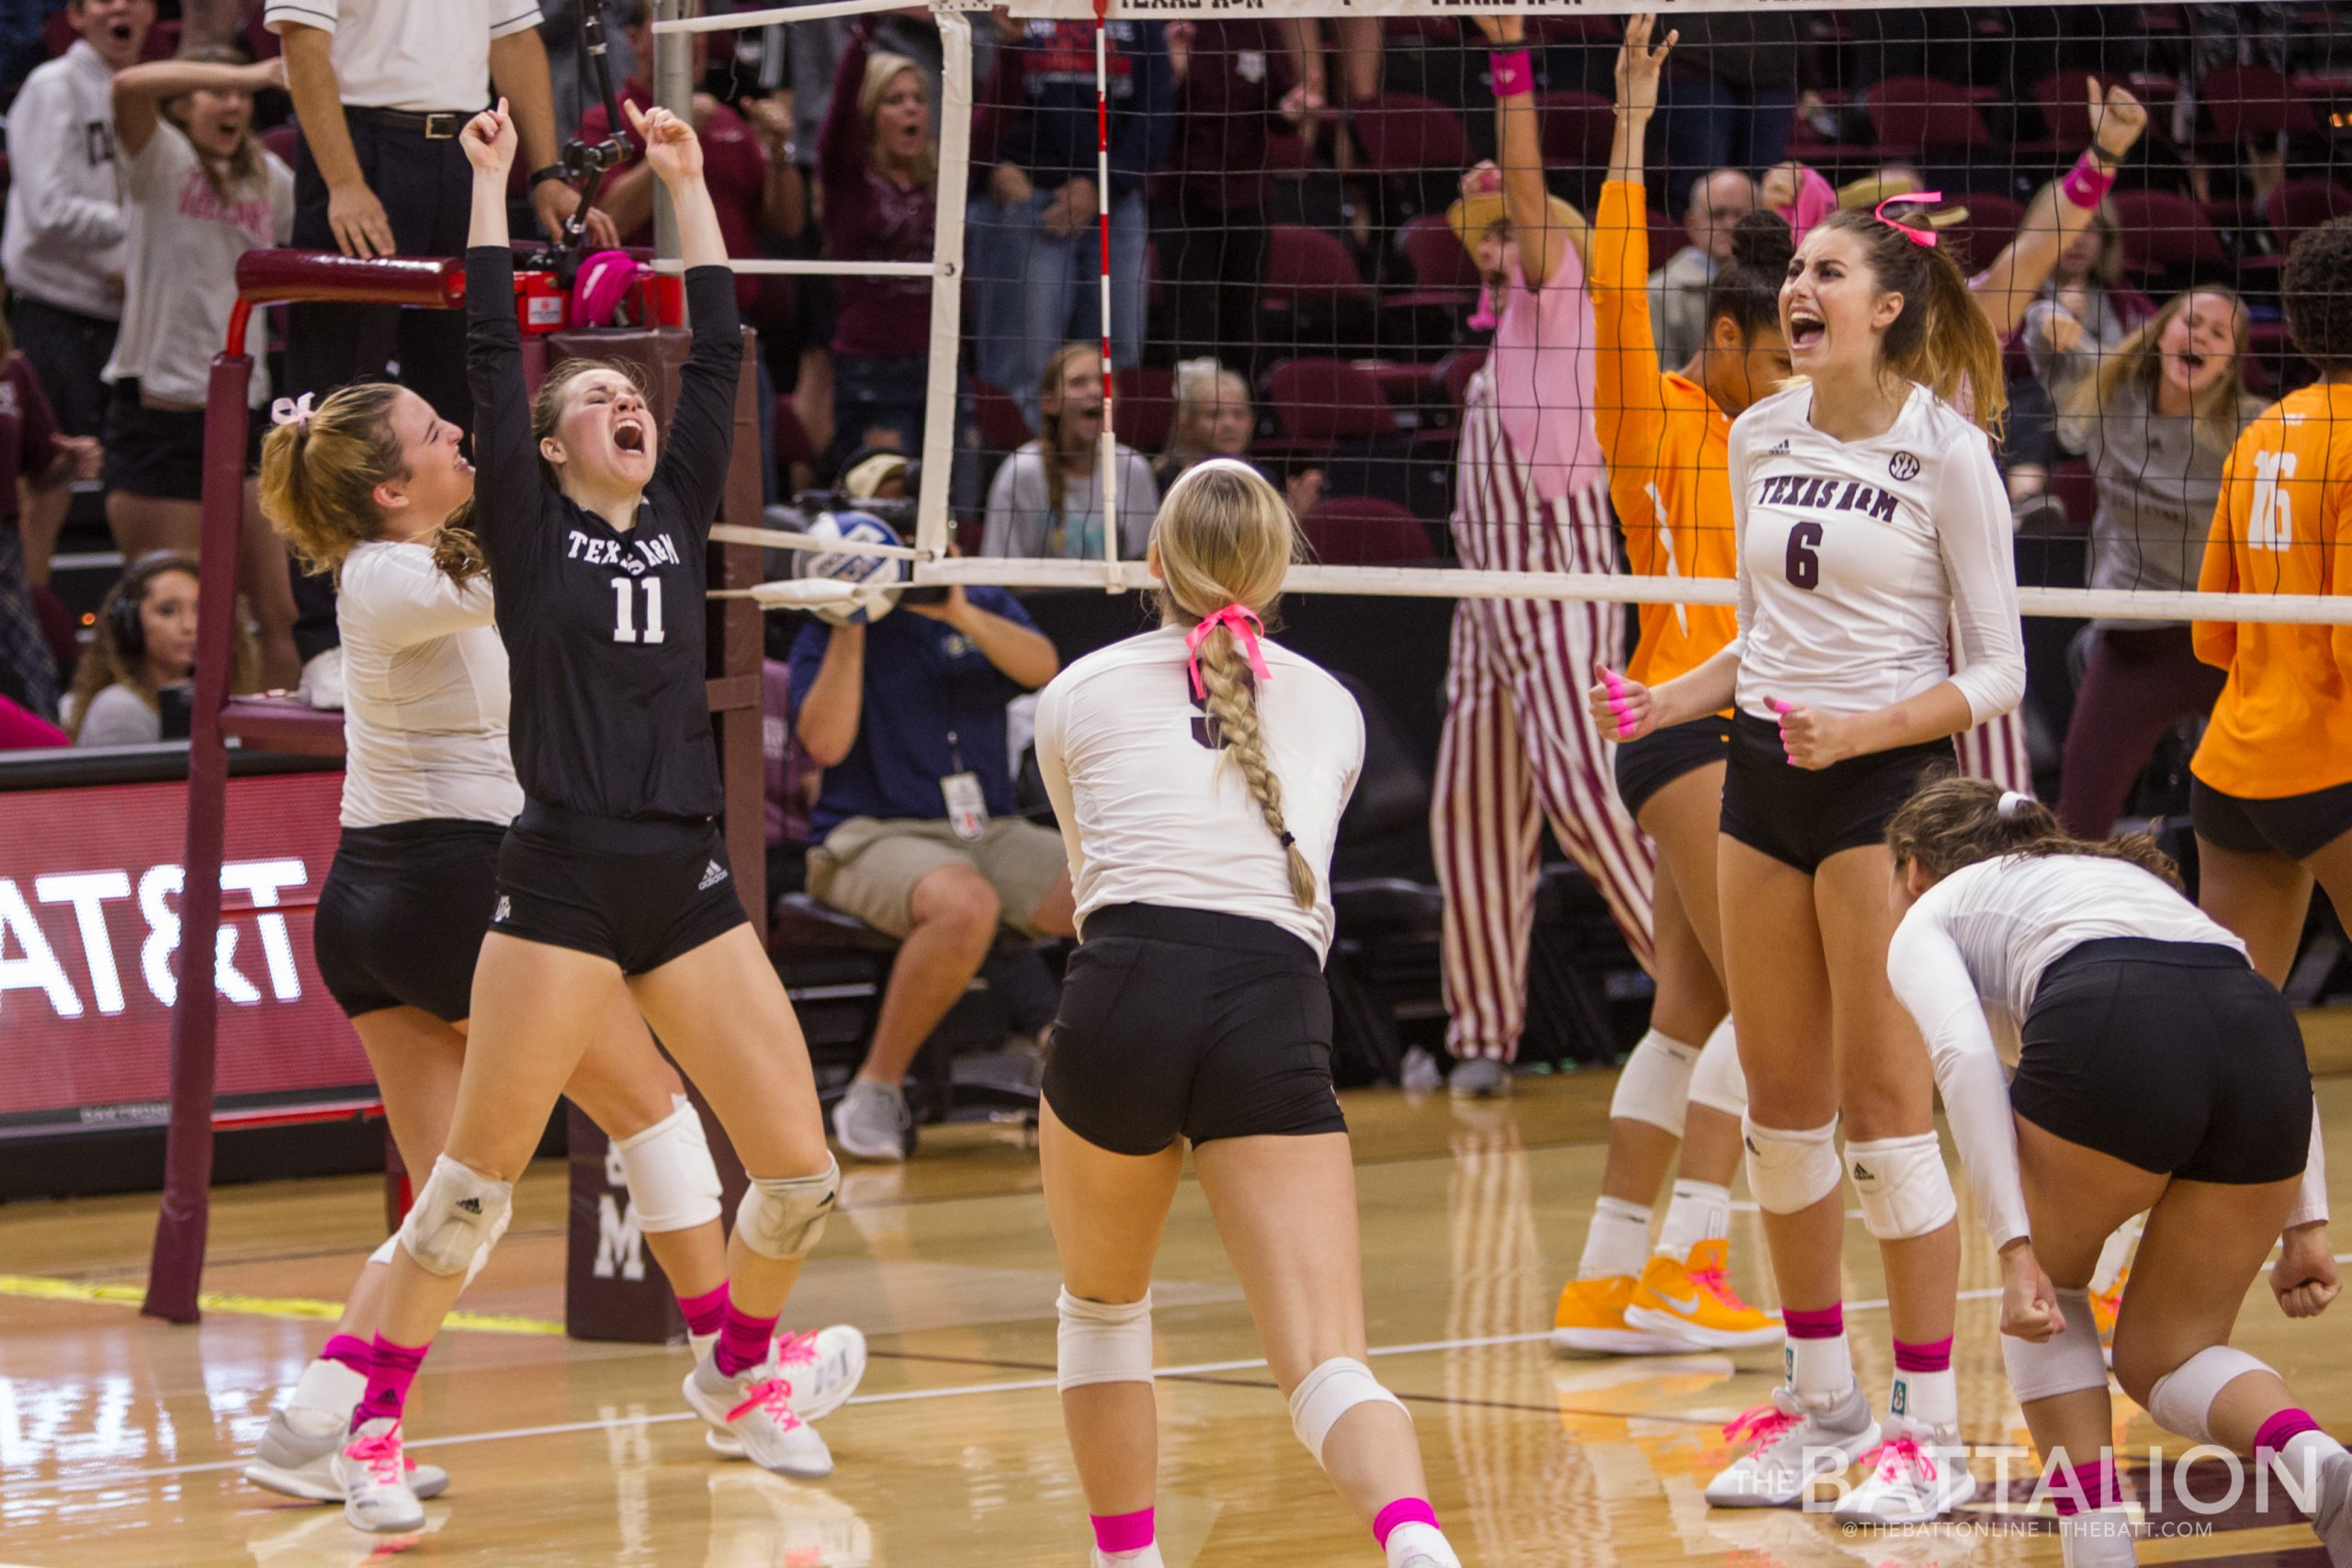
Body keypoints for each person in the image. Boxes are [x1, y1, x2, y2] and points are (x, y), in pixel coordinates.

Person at [324, 98, 842, 1535]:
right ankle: (369, 1421)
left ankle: (738, 1364)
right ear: (543, 447)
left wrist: (683, 185)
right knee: (470, 1191)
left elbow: (722, 341)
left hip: (683, 878)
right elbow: (494, 343)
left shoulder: (677, 507)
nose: (629, 398)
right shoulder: (532, 529)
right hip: (554, 882)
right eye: (596, 394)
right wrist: (490, 184)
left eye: (635, 390)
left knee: (801, 1171)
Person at [242, 379, 865, 1506]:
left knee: (456, 1197)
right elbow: (549, 572)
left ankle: (312, 1423)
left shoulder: (406, 560)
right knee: (647, 1109)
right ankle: (733, 1368)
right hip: (454, 884)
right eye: (441, 437)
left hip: (376, 901)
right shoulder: (395, 570)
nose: (463, 442)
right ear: (391, 489)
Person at [1592, 197, 2024, 1522]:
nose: (1799, 287)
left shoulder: (1948, 451)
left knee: (1891, 1119)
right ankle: (1823, 1392)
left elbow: (1997, 668)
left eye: (1826, 269)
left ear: (1886, 307)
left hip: (1885, 787)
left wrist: (1869, 730)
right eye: (1793, 268)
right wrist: (1675, 700)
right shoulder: (1756, 430)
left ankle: (1930, 1424)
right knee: (1783, 1118)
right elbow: (1762, 631)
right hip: (1765, 777)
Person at [1033, 460, 1462, 1568]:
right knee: (1326, 1362)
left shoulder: (1073, 691)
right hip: (1272, 1000)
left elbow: (1090, 887)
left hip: (1122, 983)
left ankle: (1127, 1561)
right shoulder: (1335, 705)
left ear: (1151, 565)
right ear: (1277, 575)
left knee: (1103, 1311)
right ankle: (1412, 1535)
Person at [1883, 776, 2344, 1568]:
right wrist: (2308, 1220)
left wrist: (2015, 1245)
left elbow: (1962, 1058)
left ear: (1916, 867)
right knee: (2166, 1355)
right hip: (2260, 1041)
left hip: (2116, 1019)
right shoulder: (2123, 881)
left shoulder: (1932, 910)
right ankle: (2320, 1465)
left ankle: (2100, 1556)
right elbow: (2248, 1008)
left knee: (2049, 1299)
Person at [1550, 17, 1787, 1358]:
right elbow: (1612, 285)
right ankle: (1693, 1259)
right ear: (1729, 342)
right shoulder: (1655, 412)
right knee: (1774, 1004)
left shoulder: (1774, 433)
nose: (1793, 377)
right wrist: (1634, 124)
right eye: (1778, 352)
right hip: (1680, 726)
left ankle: (1605, 1278)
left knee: (1689, 1010)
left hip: (1714, 725)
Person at [265, 0, 614, 699]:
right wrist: (342, 182)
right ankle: (325, 642)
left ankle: (461, 608)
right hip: (360, 142)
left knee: (462, 399)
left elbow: (514, 37)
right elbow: (303, 45)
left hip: (466, 148)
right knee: (335, 408)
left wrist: (545, 170)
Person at [1432, 16, 1653, 1100]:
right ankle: (1482, 1031)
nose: (1491, 237)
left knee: (1585, 792)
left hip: (1556, 571)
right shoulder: (1495, 333)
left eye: (1501, 224)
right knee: (1468, 808)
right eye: (1472, 227)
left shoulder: (1560, 289)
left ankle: (1712, 985)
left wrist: (1508, 62)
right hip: (1484, 599)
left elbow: (1526, 188)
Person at [788, 565, 1071, 1162]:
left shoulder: (983, 599)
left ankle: (1082, 1057)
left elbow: (1043, 667)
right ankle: (876, 1088)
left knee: (1112, 885)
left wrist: (959, 611)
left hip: (987, 828)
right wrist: (855, 621)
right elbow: (824, 744)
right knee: (965, 904)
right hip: (868, 830)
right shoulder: (831, 621)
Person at [2026, 287, 2257, 840]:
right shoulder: (2112, 394)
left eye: (2217, 333)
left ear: (2231, 361)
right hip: (2131, 646)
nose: (2199, 335)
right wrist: (2052, 315)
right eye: (2190, 322)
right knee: (2076, 828)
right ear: (2161, 333)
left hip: (2224, 647)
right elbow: (2041, 338)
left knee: (2270, 821)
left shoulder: (2250, 430)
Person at [103, 51, 301, 690]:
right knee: (173, 625)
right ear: (183, 105)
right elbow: (129, 81)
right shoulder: (159, 157)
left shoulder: (272, 178)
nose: (233, 105)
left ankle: (273, 762)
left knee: (281, 612)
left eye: (241, 98)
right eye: (215, 94)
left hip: (244, 412)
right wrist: (249, 75)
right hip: (162, 413)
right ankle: (161, 766)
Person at [2189, 218, 2352, 987]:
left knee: (2232, 1021)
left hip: (2236, 760)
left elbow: (2213, 627)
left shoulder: (2263, 428)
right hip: (2333, 758)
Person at [968, 14, 1170, 425]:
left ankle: (1105, 483)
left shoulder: (1135, 12)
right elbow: (963, 87)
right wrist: (988, 165)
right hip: (1025, 197)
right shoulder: (1002, 8)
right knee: (1025, 368)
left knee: (1117, 363)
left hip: (1116, 202)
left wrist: (1104, 185)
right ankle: (1021, 485)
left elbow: (1157, 106)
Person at [1, 0, 153, 440]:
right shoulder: (53, 86)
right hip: (59, 317)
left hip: (121, 318)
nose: (120, 7)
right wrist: (137, 240)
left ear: (150, 13)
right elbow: (48, 210)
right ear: (76, 16)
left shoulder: (145, 91)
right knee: (68, 477)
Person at [1165, 17, 1317, 377]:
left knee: (1246, 316)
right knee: (1190, 318)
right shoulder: (1167, 20)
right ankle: (1191, 414)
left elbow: (1278, 106)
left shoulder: (1256, 23)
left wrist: (1292, 108)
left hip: (1247, 191)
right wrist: (1173, 73)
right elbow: (1145, 112)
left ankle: (1247, 413)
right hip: (1182, 192)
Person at [818, 18, 936, 465]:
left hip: (939, 359)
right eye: (895, 100)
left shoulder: (940, 176)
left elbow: (988, 128)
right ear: (871, 114)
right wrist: (868, 24)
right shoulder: (848, 179)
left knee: (949, 500)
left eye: (918, 99)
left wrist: (1008, 47)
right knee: (882, 499)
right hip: (871, 366)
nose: (911, 109)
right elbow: (839, 117)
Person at [0, 317, 97, 720]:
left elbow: (42, 469)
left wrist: (71, 462)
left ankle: (50, 768)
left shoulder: (12, 369)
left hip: (5, 546)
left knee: (31, 665)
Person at [981, 343, 1159, 562]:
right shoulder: (1022, 470)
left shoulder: (1133, 467)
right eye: (1078, 382)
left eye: (1103, 382)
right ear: (1050, 402)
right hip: (1039, 597)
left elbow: (1145, 566)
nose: (1095, 391)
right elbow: (1002, 573)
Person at [64, 549, 259, 745]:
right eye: (168, 611)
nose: (189, 626)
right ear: (131, 624)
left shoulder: (201, 698)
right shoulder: (120, 708)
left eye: (200, 610)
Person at [1155, 357, 1322, 521]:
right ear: (1185, 424)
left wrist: (1291, 519)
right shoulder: (1168, 480)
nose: (1229, 424)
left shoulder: (1263, 478)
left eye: (1238, 414)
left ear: (1251, 422)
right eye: (1214, 414)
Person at [1647, 167, 1758, 373]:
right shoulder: (1657, 293)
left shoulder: (1779, 283)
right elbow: (1659, 383)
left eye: (1740, 215)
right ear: (1692, 223)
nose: (1730, 224)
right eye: (1717, 215)